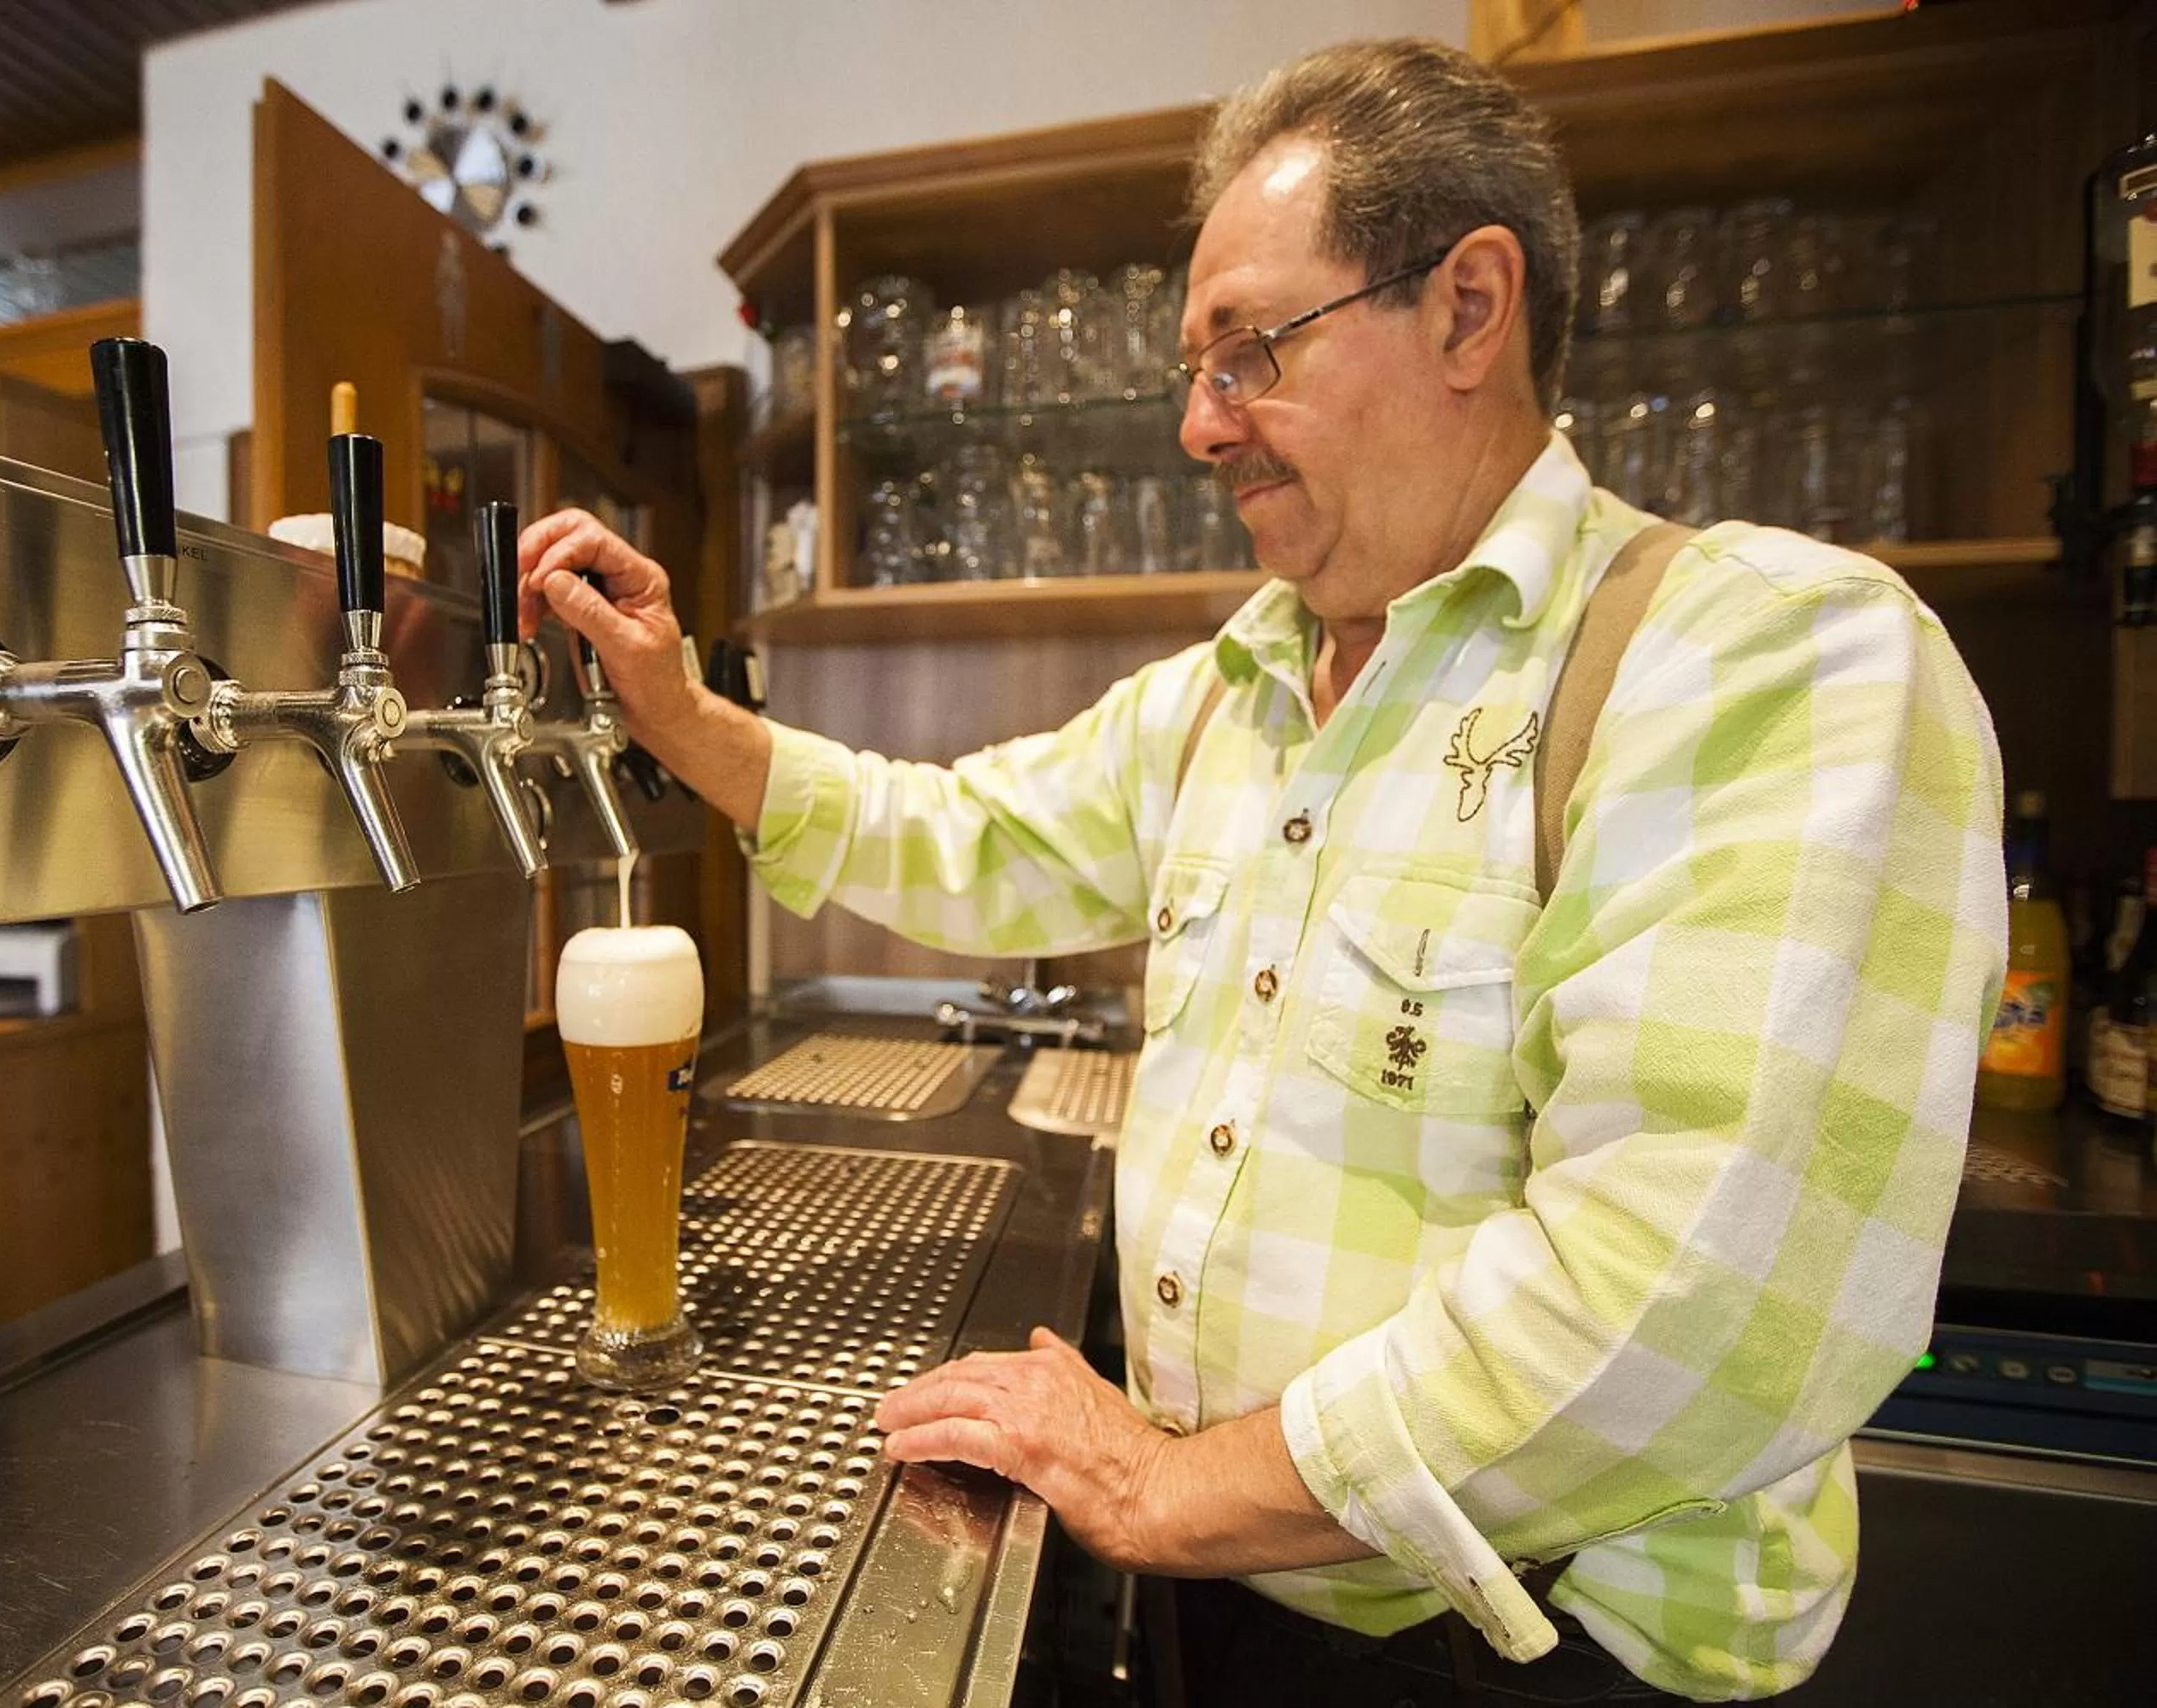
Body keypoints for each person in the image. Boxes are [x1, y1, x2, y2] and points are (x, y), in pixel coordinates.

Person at [516, 37, 2004, 1704]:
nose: (1195, 422)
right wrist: (682, 708)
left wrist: (1166, 1484)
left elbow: (1689, 1304)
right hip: (1232, 1597)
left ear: (1467, 306)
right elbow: (971, 841)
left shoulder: (1763, 655)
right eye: (1191, 366)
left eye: (1250, 352)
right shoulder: (1235, 688)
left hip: (1532, 1656)